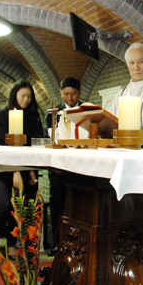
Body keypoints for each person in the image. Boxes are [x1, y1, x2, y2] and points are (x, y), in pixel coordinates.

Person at [0, 81, 45, 263]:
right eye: (22, 96)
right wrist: (16, 170)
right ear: (15, 96)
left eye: (29, 96)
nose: (26, 100)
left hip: (21, 166)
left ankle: (11, 244)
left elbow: (33, 145)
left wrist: (31, 170)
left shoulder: (32, 116)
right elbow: (4, 144)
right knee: (4, 204)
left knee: (17, 205)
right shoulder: (4, 114)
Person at [44, 77, 83, 257]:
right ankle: (57, 243)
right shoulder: (52, 112)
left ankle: (79, 241)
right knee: (58, 205)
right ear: (60, 93)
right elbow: (50, 139)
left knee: (79, 204)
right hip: (58, 168)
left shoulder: (86, 110)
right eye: (66, 94)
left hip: (81, 166)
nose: (69, 98)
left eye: (73, 94)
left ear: (79, 93)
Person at [108, 43, 143, 121]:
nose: (136, 68)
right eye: (131, 63)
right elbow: (109, 121)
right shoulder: (121, 94)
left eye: (141, 62)